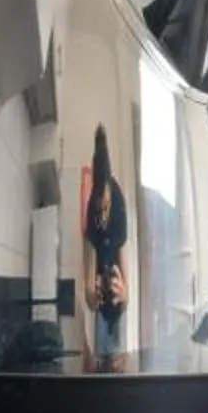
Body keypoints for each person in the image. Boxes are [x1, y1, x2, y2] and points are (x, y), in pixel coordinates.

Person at [80, 125, 130, 367]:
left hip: (115, 293)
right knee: (99, 358)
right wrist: (91, 292)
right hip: (101, 292)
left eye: (105, 207)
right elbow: (87, 284)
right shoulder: (92, 210)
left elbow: (127, 283)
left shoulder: (119, 205)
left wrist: (125, 292)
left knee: (118, 357)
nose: (102, 215)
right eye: (99, 209)